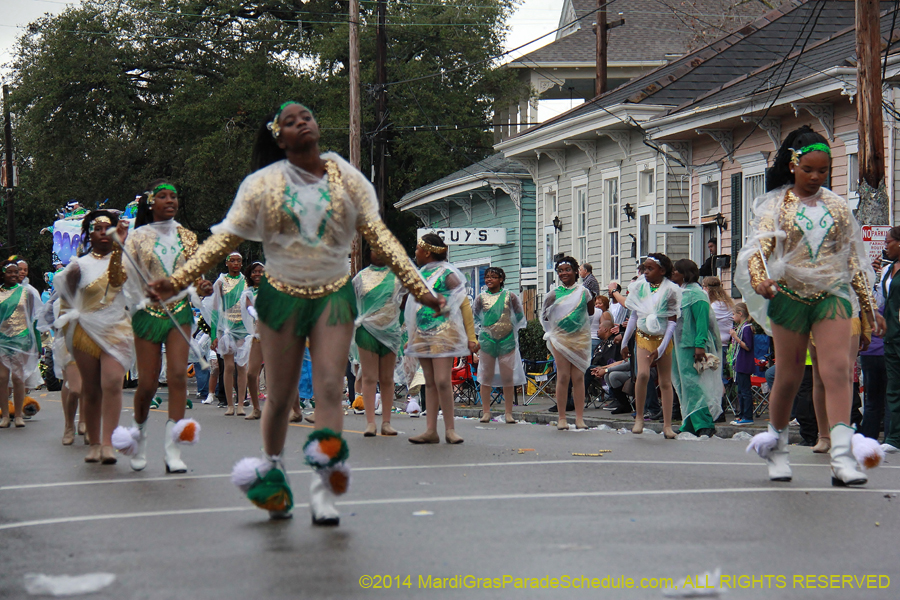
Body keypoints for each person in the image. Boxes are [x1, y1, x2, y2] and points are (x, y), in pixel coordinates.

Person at [150, 101, 441, 523]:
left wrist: (419, 287)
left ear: (317, 127)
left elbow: (381, 234)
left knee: (327, 386)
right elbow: (223, 240)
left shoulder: (345, 176)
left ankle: (325, 484)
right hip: (281, 295)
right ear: (279, 136)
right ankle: (273, 469)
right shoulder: (262, 184)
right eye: (290, 121)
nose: (301, 122)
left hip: (334, 294)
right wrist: (178, 281)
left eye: (306, 116)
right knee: (282, 395)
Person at [737, 125, 885, 485]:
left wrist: (867, 309)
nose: (816, 177)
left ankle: (841, 456)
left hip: (832, 296)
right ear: (793, 166)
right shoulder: (776, 206)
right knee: (788, 376)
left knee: (837, 371)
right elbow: (759, 251)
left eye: (823, 171)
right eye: (809, 170)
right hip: (789, 295)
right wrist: (760, 280)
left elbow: (852, 260)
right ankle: (777, 447)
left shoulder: (837, 207)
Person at [122, 180, 210, 473]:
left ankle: (173, 450)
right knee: (147, 384)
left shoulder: (187, 235)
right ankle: (140, 436)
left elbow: (196, 274)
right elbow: (126, 277)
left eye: (174, 196)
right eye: (163, 196)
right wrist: (142, 295)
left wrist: (204, 286)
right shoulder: (137, 237)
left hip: (180, 311)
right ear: (151, 203)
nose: (170, 200)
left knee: (177, 375)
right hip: (147, 314)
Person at [56, 211, 133, 464]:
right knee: (91, 390)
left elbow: (137, 291)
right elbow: (66, 302)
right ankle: (95, 442)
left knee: (112, 383)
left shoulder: (126, 261)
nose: (103, 232)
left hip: (117, 329)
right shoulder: (79, 265)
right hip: (85, 333)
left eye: (108, 228)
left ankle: (108, 443)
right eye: (98, 228)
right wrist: (67, 334)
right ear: (90, 233)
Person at [404, 234, 477, 444]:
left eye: (418, 248)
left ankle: (450, 429)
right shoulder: (420, 274)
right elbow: (414, 307)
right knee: (429, 381)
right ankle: (431, 430)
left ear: (427, 252)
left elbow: (461, 298)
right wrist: (412, 335)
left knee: (443, 380)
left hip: (443, 333)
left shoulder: (446, 273)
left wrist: (470, 336)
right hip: (423, 333)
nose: (415, 252)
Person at [619, 253, 680, 437]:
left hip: (663, 339)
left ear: (662, 270)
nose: (645, 272)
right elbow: (634, 316)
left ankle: (667, 425)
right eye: (644, 268)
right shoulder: (639, 287)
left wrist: (661, 349)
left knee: (665, 381)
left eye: (650, 268)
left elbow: (672, 322)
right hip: (643, 336)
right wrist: (624, 342)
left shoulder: (671, 290)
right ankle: (639, 418)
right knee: (643, 374)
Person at [352, 249, 405, 436]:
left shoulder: (398, 277)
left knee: (387, 378)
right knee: (368, 376)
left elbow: (407, 300)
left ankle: (386, 422)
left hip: (390, 332)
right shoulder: (360, 278)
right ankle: (370, 422)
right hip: (366, 331)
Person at [670, 259, 722, 437]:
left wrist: (699, 345)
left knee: (694, 384)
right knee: (683, 384)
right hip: (680, 346)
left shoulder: (697, 295)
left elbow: (702, 322)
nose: (672, 273)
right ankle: (689, 421)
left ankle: (704, 422)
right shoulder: (680, 293)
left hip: (691, 345)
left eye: (676, 270)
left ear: (685, 273)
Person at [541, 256, 594, 430]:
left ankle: (579, 418)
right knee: (563, 376)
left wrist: (582, 331)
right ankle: (562, 417)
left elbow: (591, 314)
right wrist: (553, 332)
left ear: (575, 271)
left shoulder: (584, 292)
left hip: (579, 339)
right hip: (560, 339)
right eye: (560, 270)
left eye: (567, 269)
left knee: (578, 377)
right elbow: (544, 316)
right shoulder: (553, 294)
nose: (564, 273)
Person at [473, 266, 526, 424]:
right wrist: (480, 333)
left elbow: (520, 316)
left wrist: (512, 329)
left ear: (501, 279)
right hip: (487, 340)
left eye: (493, 277)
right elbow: (474, 317)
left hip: (507, 339)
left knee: (507, 376)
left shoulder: (510, 296)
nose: (489, 279)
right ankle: (486, 411)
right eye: (487, 277)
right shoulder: (481, 298)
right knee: (486, 375)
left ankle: (508, 412)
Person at [0, 260, 41, 428]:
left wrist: (37, 343)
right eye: (10, 272)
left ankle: (18, 415)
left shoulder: (27, 293)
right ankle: (4, 415)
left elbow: (34, 320)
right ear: (3, 274)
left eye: (16, 272)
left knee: (18, 377)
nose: (14, 275)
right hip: (2, 340)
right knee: (2, 378)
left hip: (21, 340)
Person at [877, 227, 900, 453]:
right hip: (891, 338)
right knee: (894, 388)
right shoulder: (887, 270)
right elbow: (880, 299)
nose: (885, 245)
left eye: (888, 241)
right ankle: (895, 438)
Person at [241, 261, 265, 420]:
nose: (258, 274)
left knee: (280, 375)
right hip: (258, 336)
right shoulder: (248, 292)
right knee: (251, 374)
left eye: (261, 271)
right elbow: (249, 307)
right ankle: (256, 409)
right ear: (250, 274)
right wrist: (256, 315)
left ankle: (295, 409)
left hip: (275, 337)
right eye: (255, 272)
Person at [729, 302, 755, 426]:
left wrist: (736, 337)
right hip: (739, 363)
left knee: (745, 391)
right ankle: (741, 415)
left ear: (740, 314)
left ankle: (748, 416)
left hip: (744, 363)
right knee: (740, 390)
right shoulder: (741, 327)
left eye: (734, 314)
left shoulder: (747, 328)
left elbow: (748, 346)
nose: (732, 317)